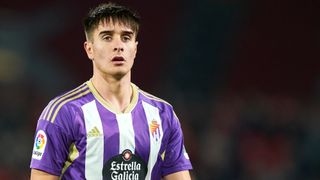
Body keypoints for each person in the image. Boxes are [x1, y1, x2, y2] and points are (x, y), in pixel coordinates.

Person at [30, 2, 193, 180]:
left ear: (135, 49)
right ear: (89, 49)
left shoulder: (163, 114)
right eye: (107, 37)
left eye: (126, 37)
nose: (118, 45)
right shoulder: (63, 112)